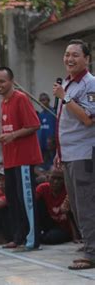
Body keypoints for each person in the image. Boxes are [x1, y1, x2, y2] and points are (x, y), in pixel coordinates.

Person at [0, 66, 43, 251]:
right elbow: (10, 132)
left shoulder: (21, 98)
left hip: (24, 159)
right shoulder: (4, 103)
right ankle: (18, 237)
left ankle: (32, 240)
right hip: (10, 159)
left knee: (25, 199)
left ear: (11, 81)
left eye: (2, 81)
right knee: (13, 199)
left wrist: (13, 136)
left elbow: (34, 125)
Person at [53, 39, 95, 270]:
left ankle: (92, 251)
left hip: (84, 153)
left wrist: (65, 98)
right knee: (77, 206)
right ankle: (89, 244)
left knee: (86, 204)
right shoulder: (68, 83)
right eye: (67, 54)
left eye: (75, 55)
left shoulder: (90, 84)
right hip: (68, 154)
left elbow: (88, 119)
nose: (69, 59)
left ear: (87, 59)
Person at [36, 168, 73, 245]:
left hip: (65, 228)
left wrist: (75, 236)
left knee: (51, 238)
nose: (56, 182)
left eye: (59, 179)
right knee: (36, 203)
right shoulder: (42, 188)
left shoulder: (69, 190)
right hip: (50, 224)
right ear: (47, 178)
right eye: (53, 178)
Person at [37, 93, 56, 170]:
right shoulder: (40, 115)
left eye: (44, 100)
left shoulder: (53, 113)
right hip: (43, 144)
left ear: (48, 101)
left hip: (52, 144)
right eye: (41, 100)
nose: (42, 102)